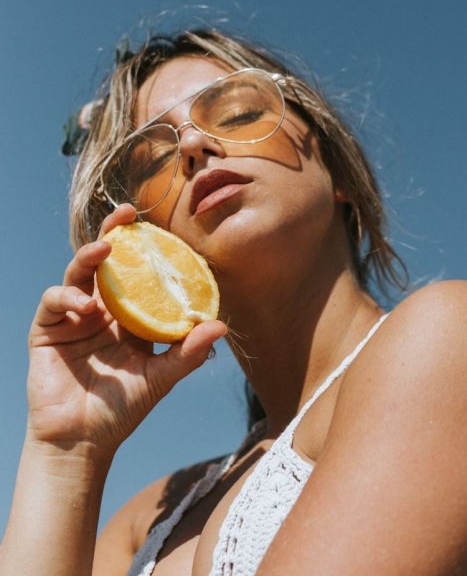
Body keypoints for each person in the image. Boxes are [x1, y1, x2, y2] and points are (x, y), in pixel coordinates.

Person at [1, 28, 466, 575]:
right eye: (154, 158)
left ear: (337, 170)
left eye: (241, 113)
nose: (195, 145)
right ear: (149, 233)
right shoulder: (144, 520)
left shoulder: (445, 335)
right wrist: (66, 450)